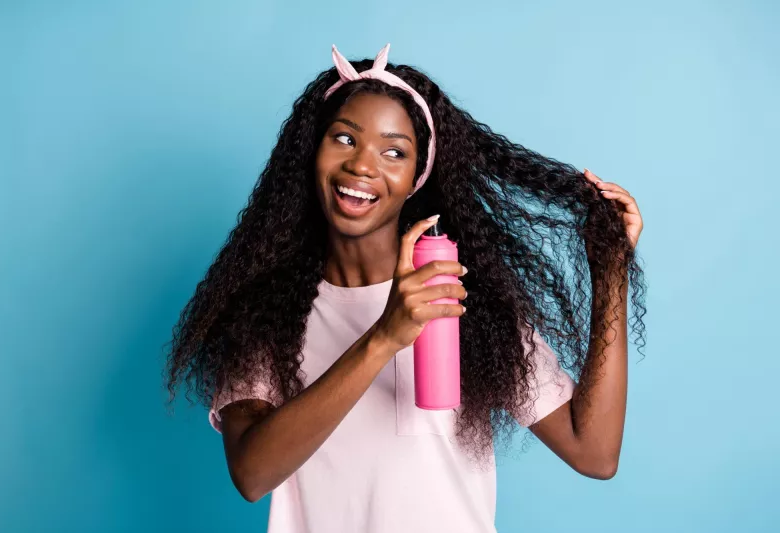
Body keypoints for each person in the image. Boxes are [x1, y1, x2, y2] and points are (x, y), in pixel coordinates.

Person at [165, 43, 646, 532]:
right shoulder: (266, 314)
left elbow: (595, 453)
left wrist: (610, 272)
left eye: (393, 151)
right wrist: (384, 337)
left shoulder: (460, 297)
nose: (363, 166)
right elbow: (252, 474)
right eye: (344, 139)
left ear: (417, 176)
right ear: (312, 152)